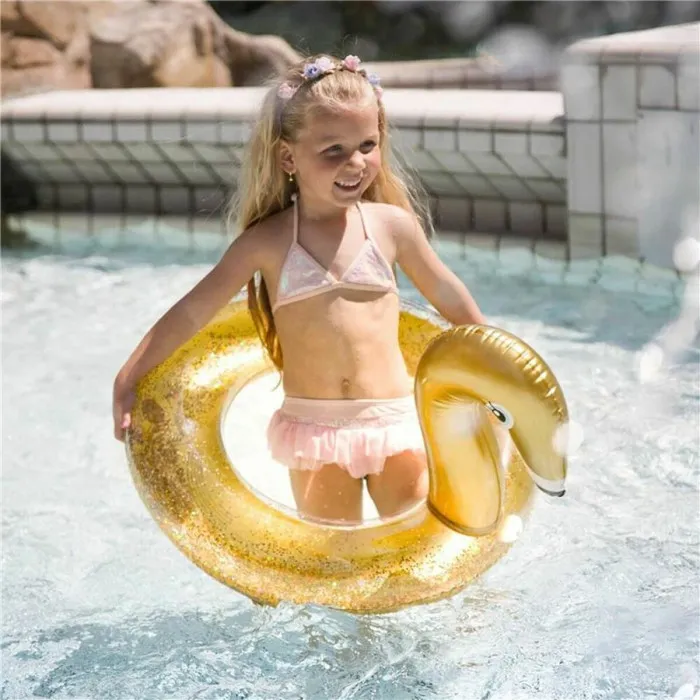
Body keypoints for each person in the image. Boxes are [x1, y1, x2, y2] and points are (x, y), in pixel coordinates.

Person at [112, 53, 486, 524]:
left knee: (418, 539)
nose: (356, 162)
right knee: (334, 553)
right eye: (334, 150)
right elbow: (193, 311)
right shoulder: (267, 242)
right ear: (289, 157)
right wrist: (129, 377)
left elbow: (447, 294)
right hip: (314, 432)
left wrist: (497, 363)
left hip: (392, 421)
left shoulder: (391, 227)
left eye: (367, 145)